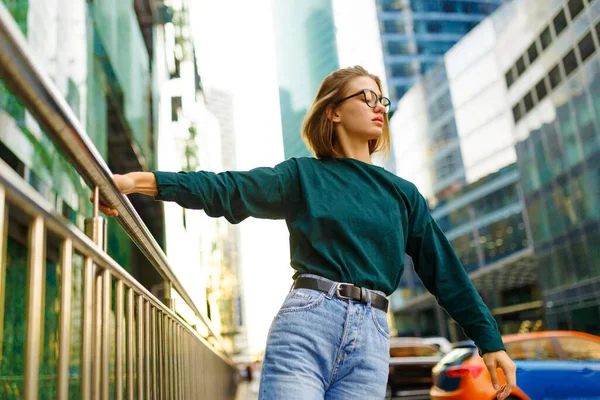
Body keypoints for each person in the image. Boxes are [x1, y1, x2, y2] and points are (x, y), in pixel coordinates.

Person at [97, 66, 516, 400]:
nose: (378, 107)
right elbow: (227, 188)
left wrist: (489, 339)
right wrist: (140, 183)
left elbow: (446, 272)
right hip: (309, 324)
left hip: (371, 340)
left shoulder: (403, 195)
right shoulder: (304, 176)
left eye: (381, 99)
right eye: (365, 97)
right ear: (333, 111)